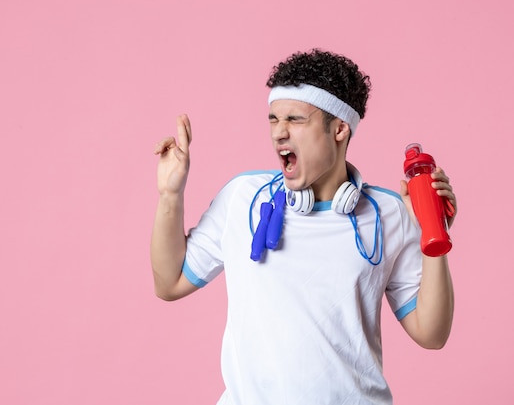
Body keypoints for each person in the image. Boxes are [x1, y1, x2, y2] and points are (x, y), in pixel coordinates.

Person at [151, 49, 456, 405]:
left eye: (295, 119)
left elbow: (432, 334)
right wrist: (170, 195)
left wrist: (434, 233)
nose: (279, 133)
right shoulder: (242, 199)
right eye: (273, 119)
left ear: (339, 128)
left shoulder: (388, 213)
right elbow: (168, 282)